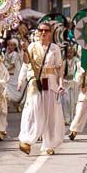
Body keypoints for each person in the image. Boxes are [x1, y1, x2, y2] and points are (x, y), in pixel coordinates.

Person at [18, 22, 65, 155]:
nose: (43, 33)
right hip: (35, 82)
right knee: (32, 109)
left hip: (50, 82)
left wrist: (61, 83)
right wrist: (24, 50)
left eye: (46, 30)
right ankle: (26, 141)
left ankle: (48, 144)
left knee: (49, 114)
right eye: (40, 30)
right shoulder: (32, 46)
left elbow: (59, 69)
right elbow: (26, 62)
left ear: (51, 32)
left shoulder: (55, 48)